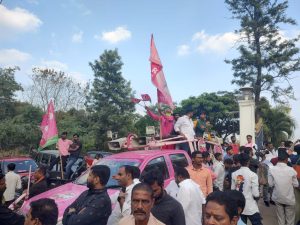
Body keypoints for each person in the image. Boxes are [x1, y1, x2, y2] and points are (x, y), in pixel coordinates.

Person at [268, 149, 299, 225]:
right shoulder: (291, 170)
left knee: (280, 218)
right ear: (286, 160)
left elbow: (270, 184)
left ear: (278, 159)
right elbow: (296, 185)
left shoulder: (271, 169)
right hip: (289, 198)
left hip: (278, 197)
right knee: (290, 220)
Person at [231, 153, 262, 225]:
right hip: (250, 205)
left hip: (239, 205)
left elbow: (233, 190)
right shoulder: (253, 175)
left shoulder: (235, 174)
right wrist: (258, 195)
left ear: (239, 161)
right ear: (248, 161)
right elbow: (255, 194)